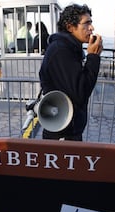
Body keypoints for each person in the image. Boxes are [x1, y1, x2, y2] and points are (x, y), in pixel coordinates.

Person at [38, 4, 103, 141]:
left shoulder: (70, 48)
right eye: (86, 24)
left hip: (68, 127)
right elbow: (81, 92)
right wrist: (93, 57)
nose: (92, 28)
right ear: (70, 27)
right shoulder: (61, 51)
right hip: (62, 133)